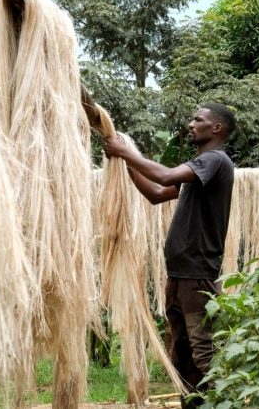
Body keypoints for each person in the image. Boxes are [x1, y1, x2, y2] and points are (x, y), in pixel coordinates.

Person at [103, 103, 236, 408]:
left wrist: (126, 153)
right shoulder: (199, 166)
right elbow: (156, 194)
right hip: (179, 275)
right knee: (183, 355)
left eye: (198, 120)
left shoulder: (215, 161)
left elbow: (164, 177)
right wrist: (127, 165)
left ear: (216, 128)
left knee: (204, 355)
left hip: (198, 274)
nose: (191, 124)